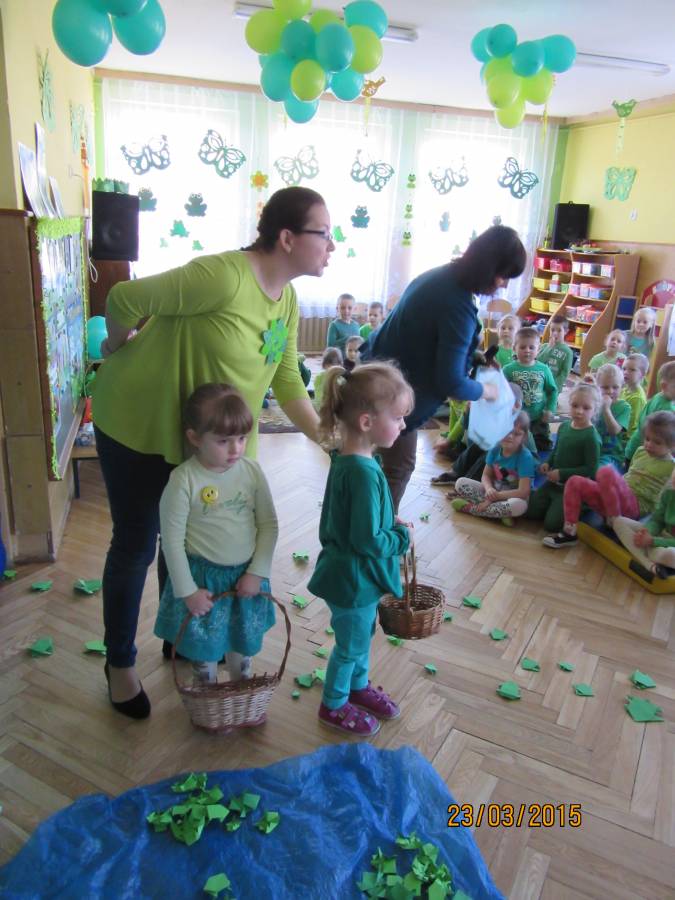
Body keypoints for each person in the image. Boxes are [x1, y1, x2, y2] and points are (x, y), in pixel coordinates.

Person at [92, 186, 333, 718]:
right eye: (324, 233)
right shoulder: (224, 276)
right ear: (287, 237)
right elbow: (123, 298)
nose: (332, 246)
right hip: (136, 423)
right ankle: (119, 664)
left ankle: (178, 636)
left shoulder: (288, 299)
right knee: (137, 543)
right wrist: (115, 344)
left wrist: (330, 442)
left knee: (186, 543)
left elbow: (287, 380)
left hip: (204, 444)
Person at [360, 225, 527, 509]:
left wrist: (472, 355)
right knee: (397, 468)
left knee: (367, 460)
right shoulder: (458, 305)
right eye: (504, 276)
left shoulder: (439, 276)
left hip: (374, 375)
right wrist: (489, 390)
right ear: (489, 267)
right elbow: (452, 383)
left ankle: (369, 523)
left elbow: (427, 337)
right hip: (392, 394)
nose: (504, 285)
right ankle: (377, 530)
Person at [308, 363, 413, 737]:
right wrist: (400, 539)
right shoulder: (362, 473)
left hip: (351, 576)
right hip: (353, 580)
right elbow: (366, 541)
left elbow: (355, 519)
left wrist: (388, 520)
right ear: (367, 422)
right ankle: (334, 704)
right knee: (351, 646)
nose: (403, 425)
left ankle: (357, 686)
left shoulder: (351, 460)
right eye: (398, 418)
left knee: (360, 637)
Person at [154, 384, 277, 697]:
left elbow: (268, 525)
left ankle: (241, 696)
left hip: (245, 577)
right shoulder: (183, 480)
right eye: (223, 441)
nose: (235, 449)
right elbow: (171, 542)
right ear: (195, 438)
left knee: (241, 646)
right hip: (202, 582)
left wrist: (257, 572)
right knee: (204, 651)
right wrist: (187, 591)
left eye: (242, 438)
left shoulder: (251, 471)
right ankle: (209, 703)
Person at [543, 411, 675, 548]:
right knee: (574, 481)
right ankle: (569, 532)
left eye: (657, 442)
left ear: (672, 445)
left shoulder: (672, 467)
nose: (649, 444)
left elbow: (665, 501)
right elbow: (629, 475)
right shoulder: (641, 451)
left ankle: (614, 518)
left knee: (606, 472)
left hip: (635, 508)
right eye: (647, 439)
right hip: (614, 501)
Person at [526, 383, 601, 534]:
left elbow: (591, 470)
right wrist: (548, 463)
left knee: (551, 524)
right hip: (553, 484)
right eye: (575, 405)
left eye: (586, 408)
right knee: (530, 512)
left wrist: (562, 473)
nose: (579, 411)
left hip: (572, 490)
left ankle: (583, 505)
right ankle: (553, 504)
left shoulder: (591, 437)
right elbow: (556, 450)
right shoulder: (564, 426)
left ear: (595, 410)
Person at [451, 411, 534, 525]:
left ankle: (471, 508)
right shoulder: (494, 449)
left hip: (512, 497)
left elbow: (523, 492)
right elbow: (486, 475)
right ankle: (498, 513)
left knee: (519, 506)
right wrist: (489, 488)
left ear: (523, 437)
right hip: (492, 492)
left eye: (516, 434)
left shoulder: (525, 457)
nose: (510, 436)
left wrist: (493, 498)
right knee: (460, 483)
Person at [503, 326, 558, 451]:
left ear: (538, 349)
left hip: (538, 418)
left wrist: (550, 409)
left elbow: (552, 391)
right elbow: (501, 392)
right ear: (514, 348)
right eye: (522, 347)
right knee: (517, 447)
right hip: (516, 418)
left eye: (531, 347)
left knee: (543, 447)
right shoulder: (508, 369)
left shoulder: (544, 369)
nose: (527, 351)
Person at [614, 469, 675, 578]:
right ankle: (651, 566)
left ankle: (649, 555)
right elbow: (657, 520)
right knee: (618, 521)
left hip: (669, 546)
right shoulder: (669, 494)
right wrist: (646, 532)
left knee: (670, 554)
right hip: (660, 537)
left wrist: (652, 541)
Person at [625, 361, 675, 462]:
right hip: (648, 453)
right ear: (664, 386)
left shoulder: (657, 397)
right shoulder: (668, 409)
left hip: (635, 445)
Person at [594, 363, 631, 470]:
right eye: (605, 387)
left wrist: (606, 409)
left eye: (615, 387)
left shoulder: (624, 407)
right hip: (591, 448)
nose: (610, 391)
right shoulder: (593, 403)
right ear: (597, 387)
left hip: (611, 454)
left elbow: (614, 431)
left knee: (599, 471)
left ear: (622, 387)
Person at [537, 315, 574, 393]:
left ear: (566, 331)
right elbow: (538, 362)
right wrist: (549, 348)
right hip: (539, 383)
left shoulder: (568, 352)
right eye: (552, 330)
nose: (555, 333)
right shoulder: (545, 346)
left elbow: (565, 373)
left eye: (559, 330)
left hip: (554, 387)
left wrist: (553, 385)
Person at [621, 353, 649, 439]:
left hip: (626, 438)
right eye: (624, 369)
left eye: (632, 370)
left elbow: (632, 426)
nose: (626, 372)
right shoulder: (625, 389)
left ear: (643, 374)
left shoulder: (637, 398)